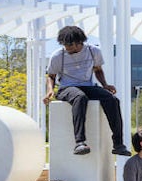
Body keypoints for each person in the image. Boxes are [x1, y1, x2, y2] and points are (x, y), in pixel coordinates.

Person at [43, 25, 131, 156]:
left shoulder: (93, 51)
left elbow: (98, 70)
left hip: (88, 86)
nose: (68, 48)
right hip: (66, 88)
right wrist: (50, 90)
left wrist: (105, 85)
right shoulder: (58, 56)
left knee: (112, 100)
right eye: (65, 45)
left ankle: (118, 144)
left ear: (80, 42)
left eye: (70, 45)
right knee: (80, 97)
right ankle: (80, 143)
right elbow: (51, 75)